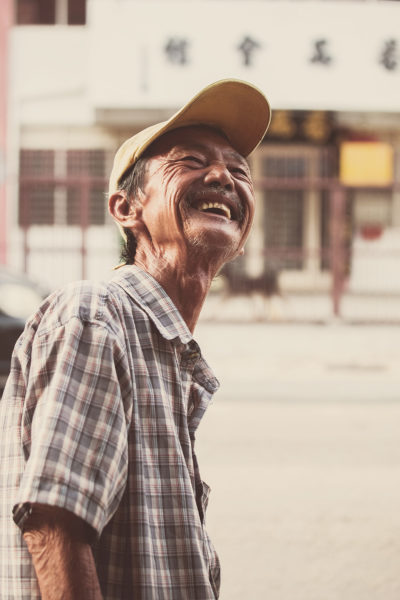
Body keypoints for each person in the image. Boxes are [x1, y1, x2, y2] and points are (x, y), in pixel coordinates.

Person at [0, 79, 271, 600]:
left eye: (240, 171)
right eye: (190, 161)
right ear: (127, 208)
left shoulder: (170, 354)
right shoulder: (95, 317)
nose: (222, 176)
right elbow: (55, 524)